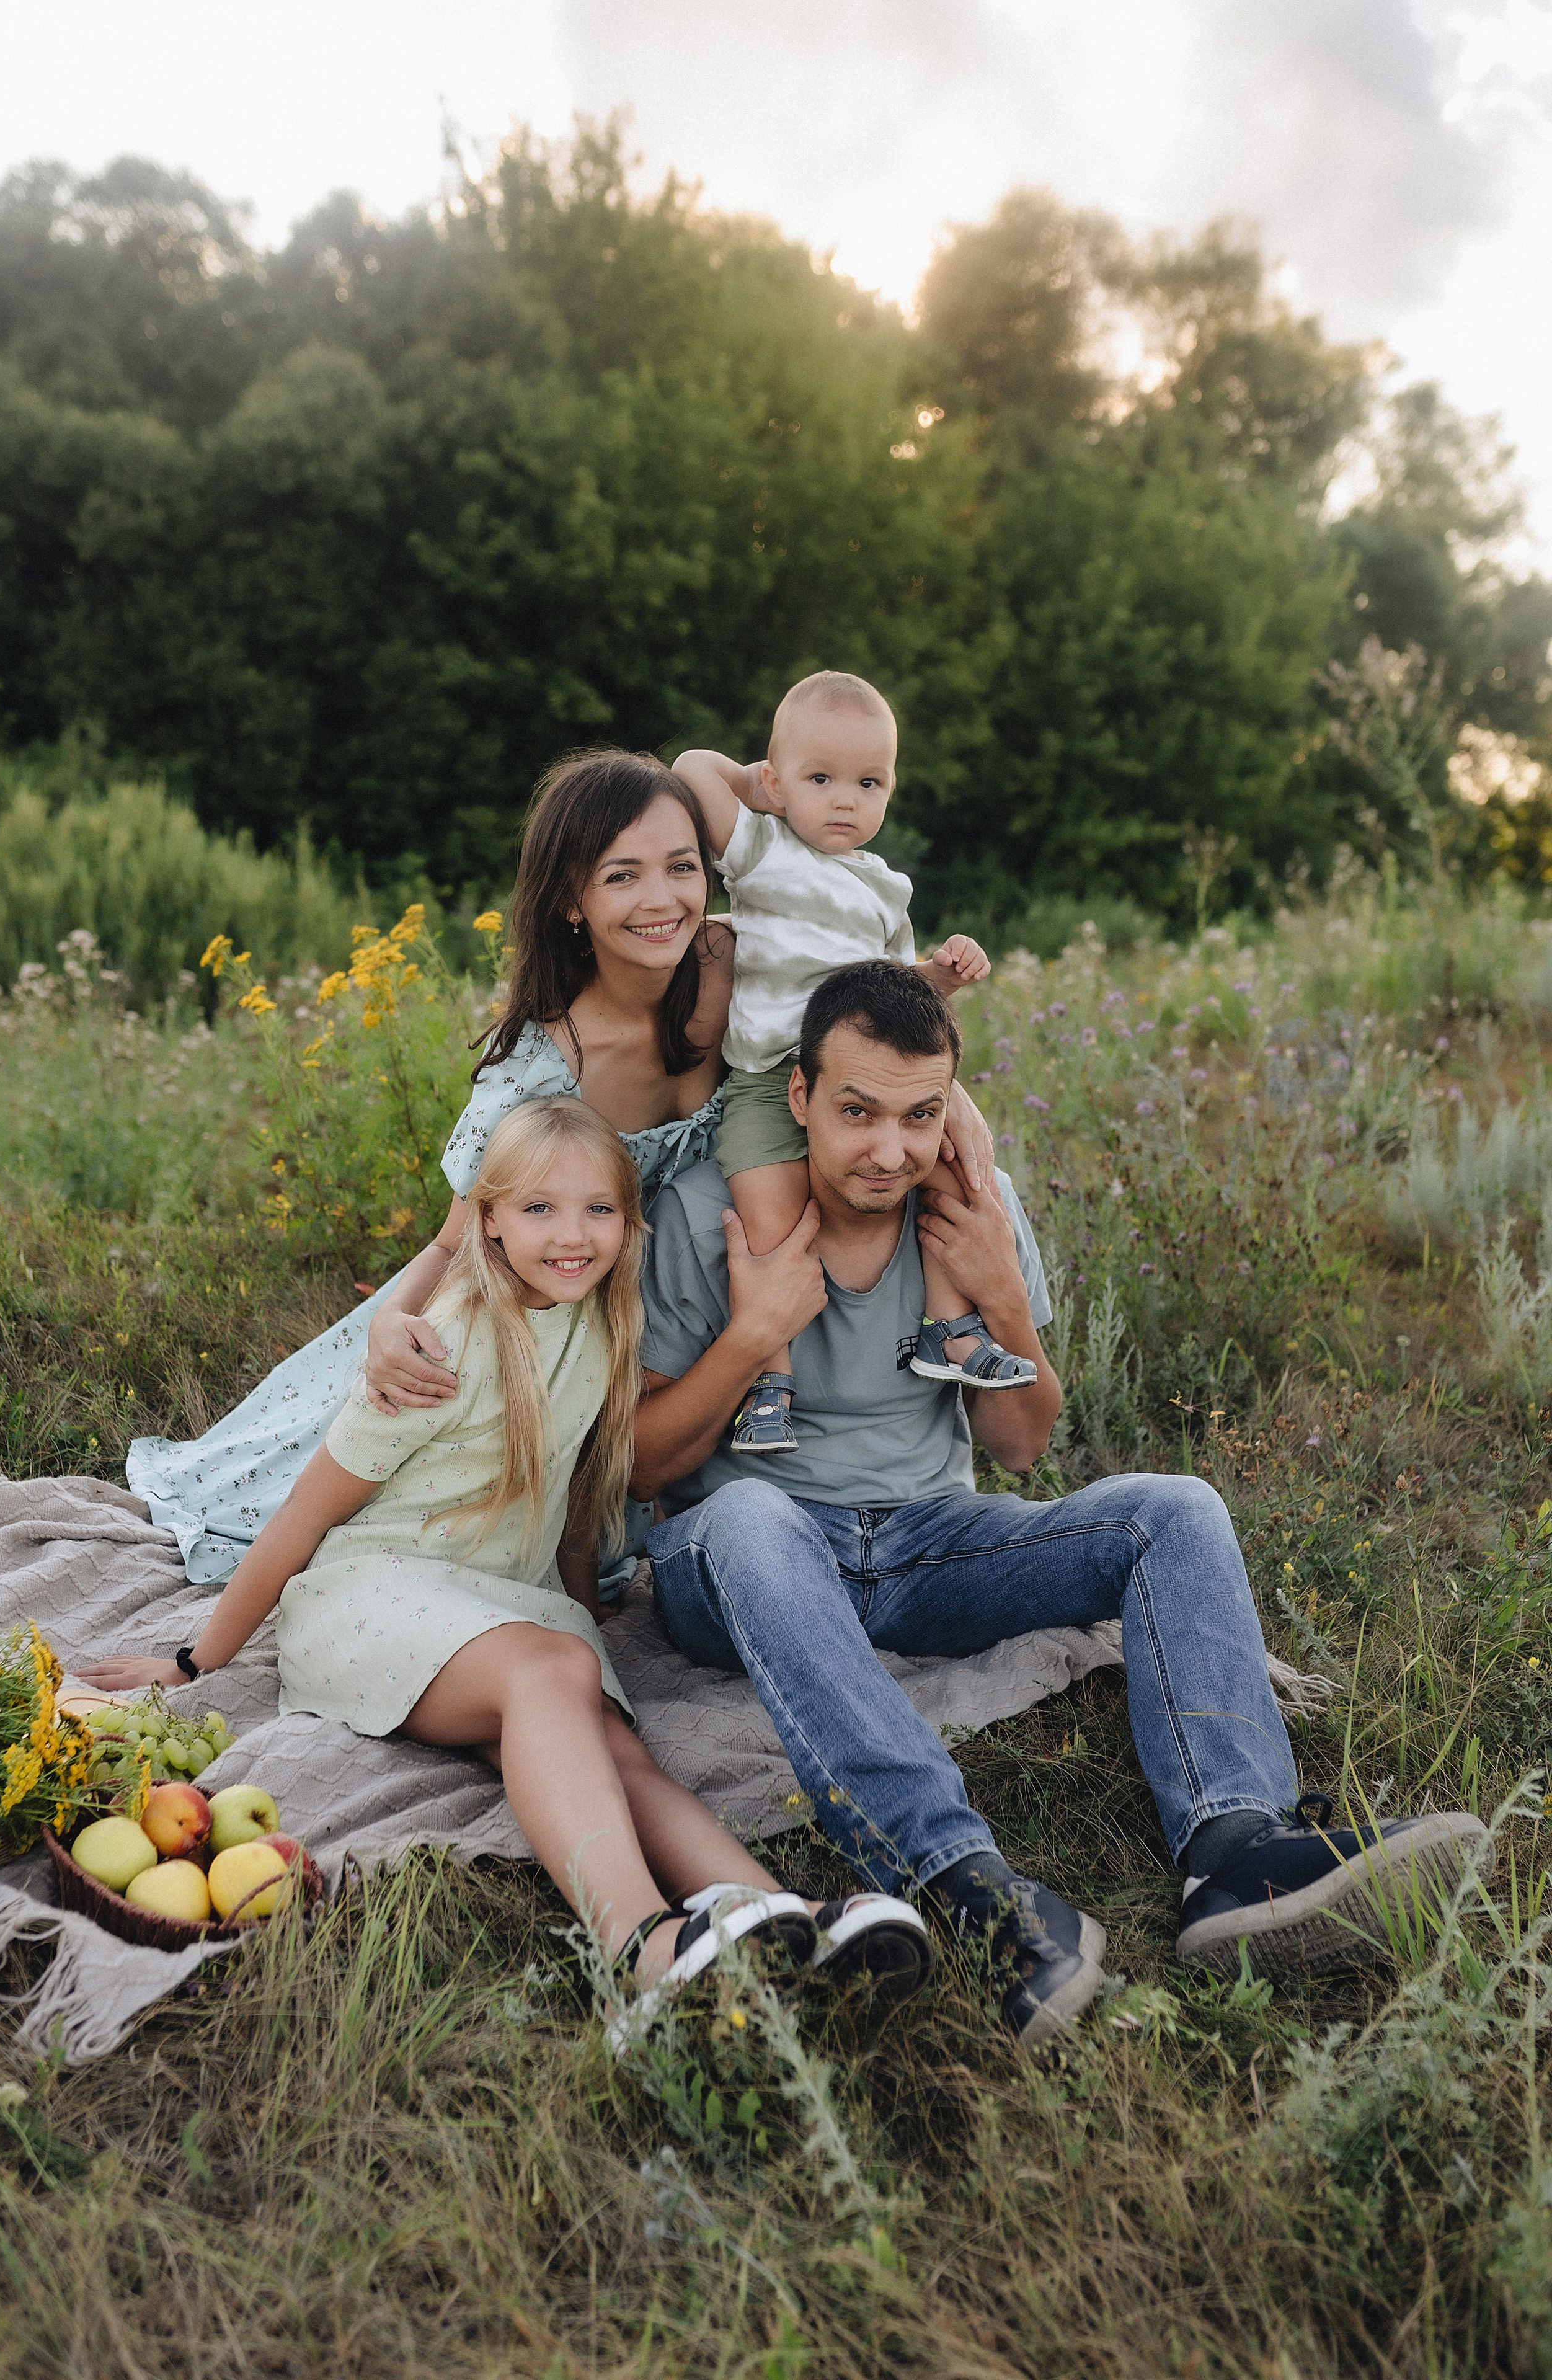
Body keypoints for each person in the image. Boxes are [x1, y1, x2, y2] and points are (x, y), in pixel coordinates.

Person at [629, 959, 1491, 2048]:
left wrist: (999, 1294)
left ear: (951, 1106)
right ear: (798, 1095)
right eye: (856, 1111)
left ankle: (1237, 1852)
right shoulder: (710, 1207)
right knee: (754, 1519)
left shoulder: (970, 1209)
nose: (890, 1150)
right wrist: (755, 1335)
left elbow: (1022, 1442)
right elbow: (645, 1468)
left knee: (1174, 1508)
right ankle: (969, 1885)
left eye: (919, 1114)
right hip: (744, 1561)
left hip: (926, 1541)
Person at [129, 744, 995, 1597]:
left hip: (664, 1294)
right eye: (621, 876)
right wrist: (392, 1327)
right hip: (547, 1302)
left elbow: (870, 1040)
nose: (662, 900)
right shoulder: (544, 1070)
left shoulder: (737, 964)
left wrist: (954, 1101)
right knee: (380, 1531)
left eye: (682, 867)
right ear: (572, 903)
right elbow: (455, 1242)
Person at [82, 1102, 831, 2034]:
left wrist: (578, 1603)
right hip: (372, 1599)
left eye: (598, 1209)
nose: (572, 1235)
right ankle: (642, 1948)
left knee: (615, 1742)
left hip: (498, 1607)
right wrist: (197, 1661)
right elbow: (302, 1517)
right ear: (488, 1220)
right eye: (540, 1210)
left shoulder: (598, 1331)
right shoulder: (436, 1349)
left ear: (627, 1223)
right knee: (552, 1669)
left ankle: (775, 1913)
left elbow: (556, 1494)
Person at [673, 672, 1031, 1458]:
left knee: (949, 1186)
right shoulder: (763, 849)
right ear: (777, 784)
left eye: (869, 782)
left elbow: (897, 997)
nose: (846, 800)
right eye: (821, 779)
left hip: (867, 1077)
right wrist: (756, 788)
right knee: (769, 1223)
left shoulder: (882, 887)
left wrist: (941, 975)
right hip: (773, 1077)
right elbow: (694, 769)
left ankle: (948, 1331)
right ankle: (771, 1381)